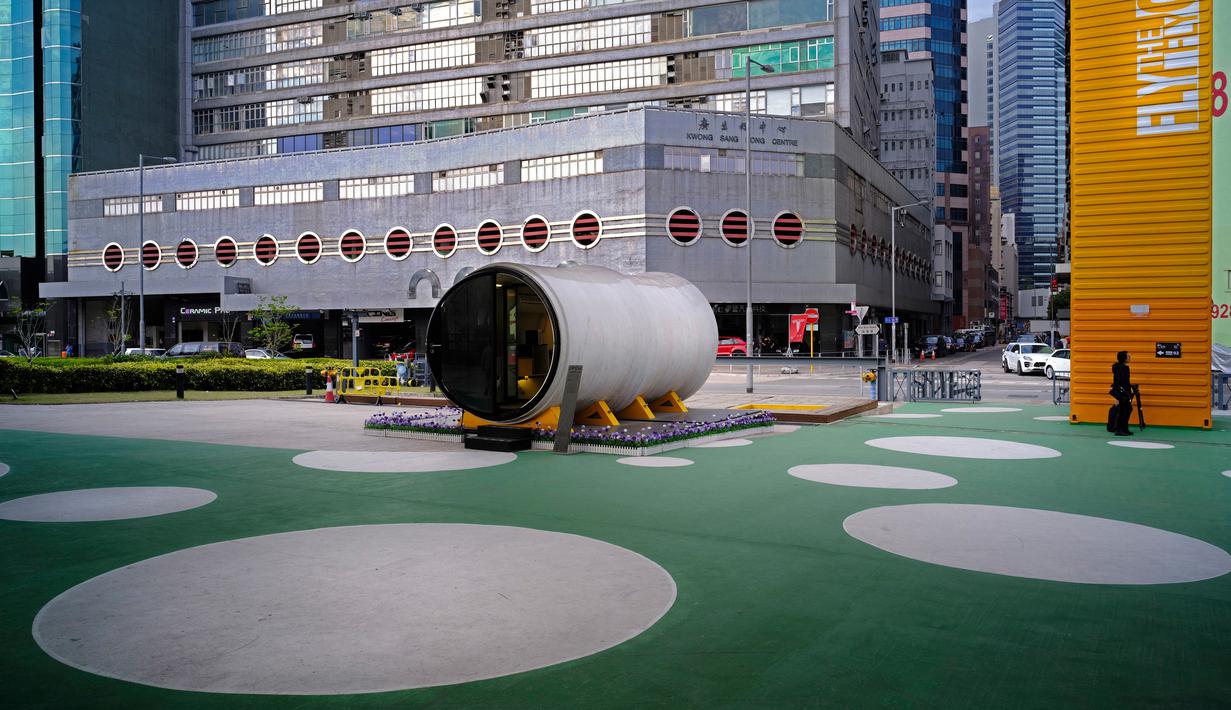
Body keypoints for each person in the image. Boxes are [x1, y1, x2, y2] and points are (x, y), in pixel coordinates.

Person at [1110, 351, 1134, 436]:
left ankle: (1123, 429)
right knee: (1125, 410)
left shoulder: (1116, 367)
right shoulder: (1124, 368)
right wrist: (1129, 392)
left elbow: (1117, 381)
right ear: (1124, 358)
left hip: (1119, 392)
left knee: (1125, 410)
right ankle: (1121, 429)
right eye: (1128, 356)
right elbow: (1125, 382)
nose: (1130, 357)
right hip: (1124, 393)